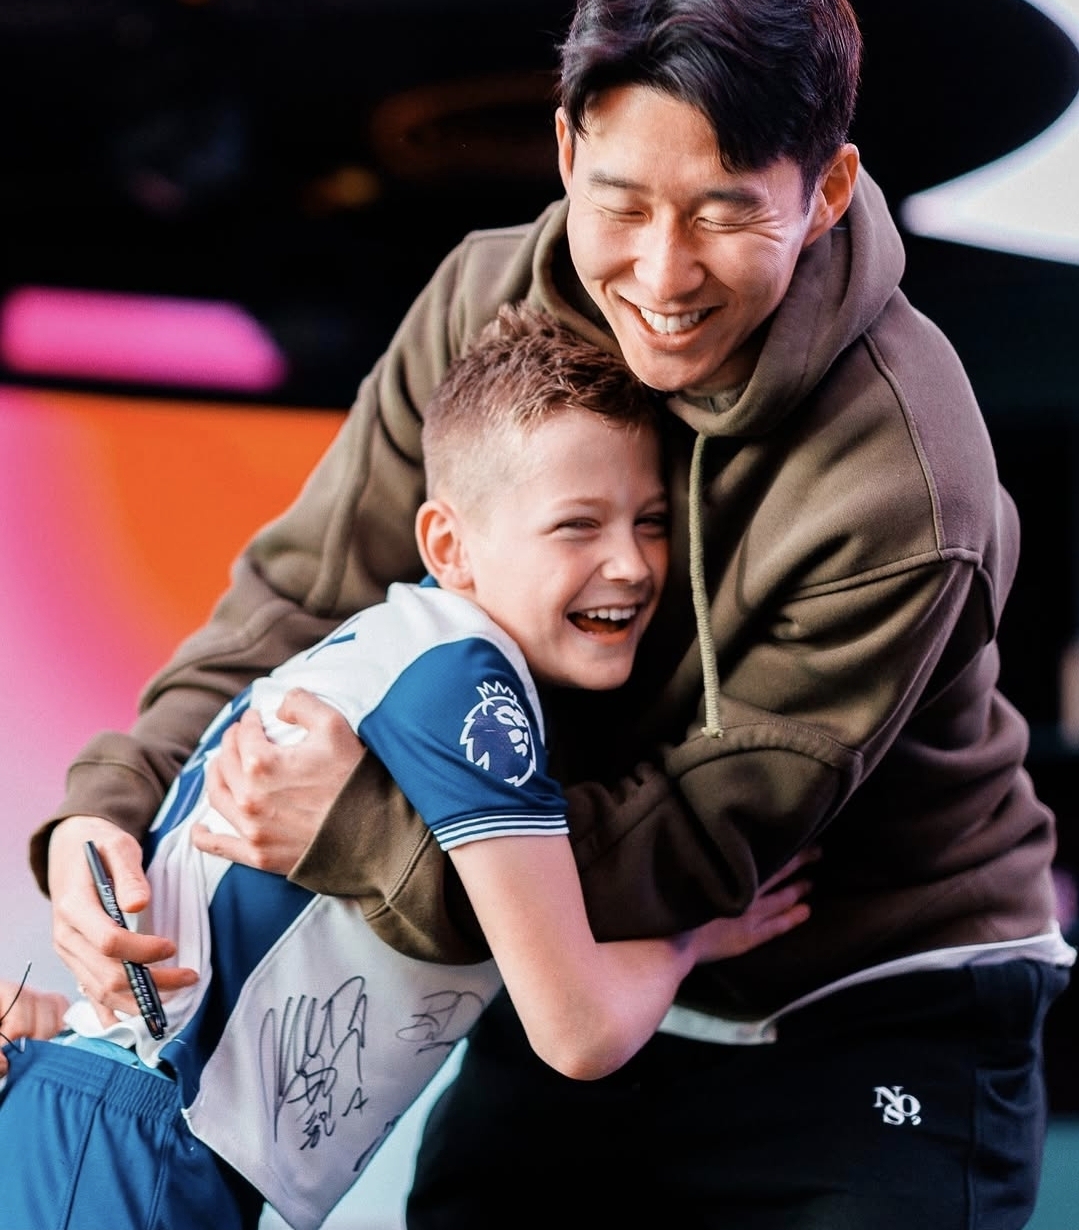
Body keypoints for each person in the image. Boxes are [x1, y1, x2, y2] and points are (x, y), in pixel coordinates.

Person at [35, 0, 1073, 1228]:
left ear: (823, 191)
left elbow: (692, 848)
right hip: (566, 979)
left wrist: (359, 833)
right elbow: (300, 602)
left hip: (864, 1001)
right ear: (568, 151)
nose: (662, 272)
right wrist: (111, 810)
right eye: (623, 204)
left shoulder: (902, 486)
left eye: (723, 212)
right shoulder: (479, 300)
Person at [1, 306, 812, 1230]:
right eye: (576, 526)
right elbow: (579, 1031)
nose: (628, 563)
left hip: (111, 1134)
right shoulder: (466, 682)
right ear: (448, 547)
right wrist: (687, 939)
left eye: (652, 521)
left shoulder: (395, 649)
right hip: (128, 1145)